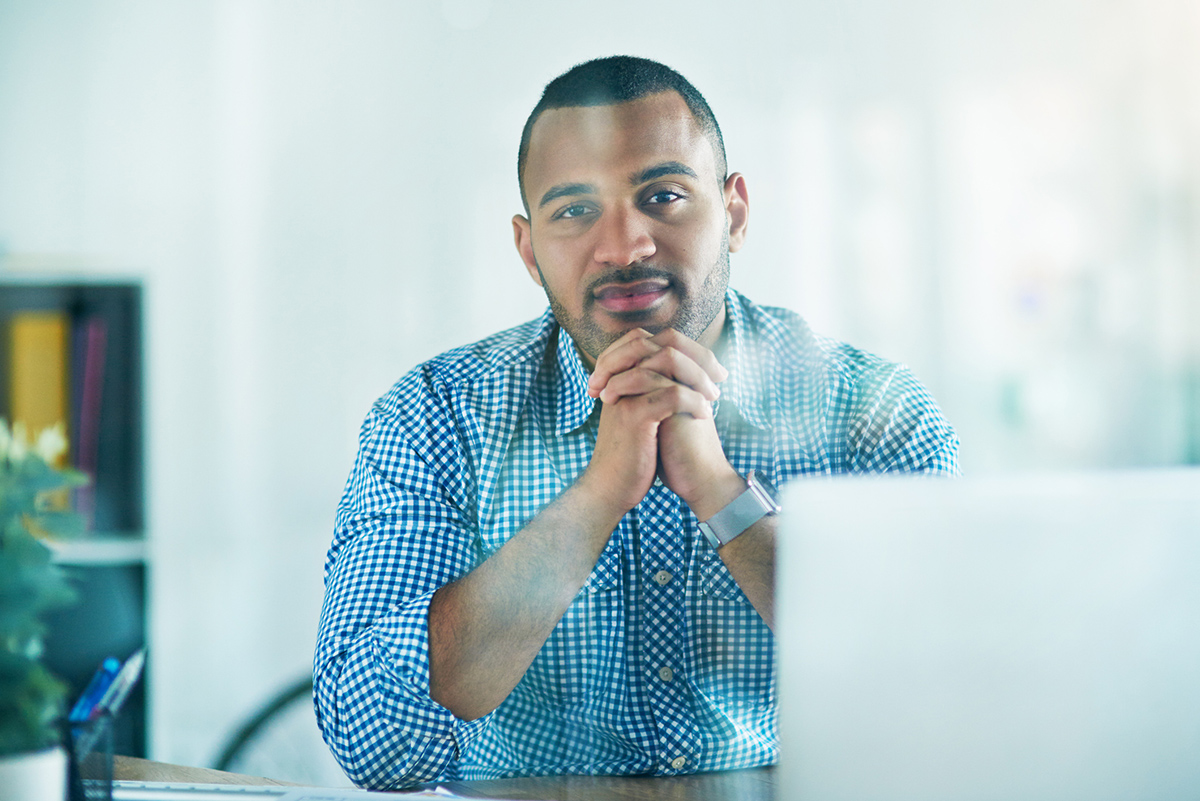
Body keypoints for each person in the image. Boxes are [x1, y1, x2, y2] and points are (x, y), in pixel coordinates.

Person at [313, 55, 960, 790]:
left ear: (735, 214)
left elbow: (937, 699)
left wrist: (722, 493)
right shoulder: (435, 414)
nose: (625, 247)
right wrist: (596, 496)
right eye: (575, 211)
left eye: (663, 195)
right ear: (529, 251)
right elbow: (376, 742)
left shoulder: (873, 410)